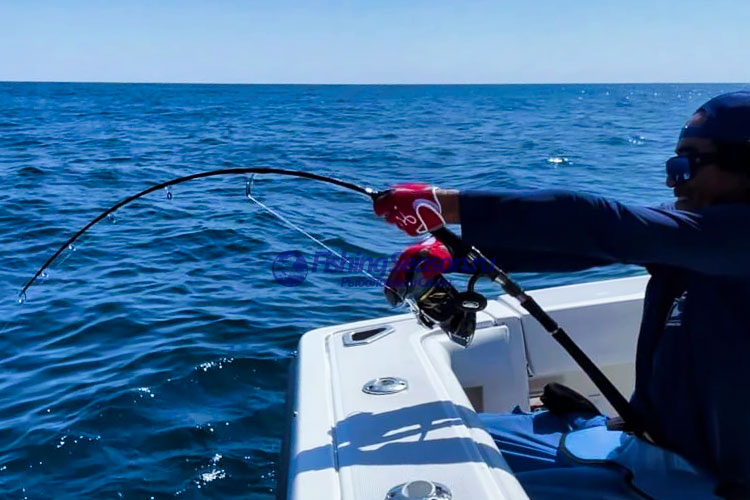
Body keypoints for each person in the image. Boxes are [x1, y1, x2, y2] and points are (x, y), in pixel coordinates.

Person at [373, 91, 750, 499]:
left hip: (700, 484)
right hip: (635, 444)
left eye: (686, 166)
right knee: (429, 438)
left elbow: (608, 227)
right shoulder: (700, 233)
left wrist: (449, 206)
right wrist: (457, 254)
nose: (671, 181)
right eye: (672, 167)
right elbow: (593, 244)